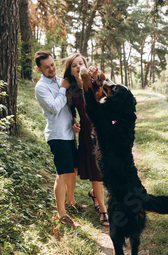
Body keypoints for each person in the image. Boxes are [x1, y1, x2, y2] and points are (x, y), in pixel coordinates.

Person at [34, 50, 85, 228]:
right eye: (46, 67)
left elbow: (68, 107)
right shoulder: (41, 88)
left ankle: (70, 201)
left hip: (68, 133)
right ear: (39, 68)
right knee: (62, 174)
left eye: (53, 64)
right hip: (57, 136)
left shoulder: (60, 81)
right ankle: (61, 214)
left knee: (74, 169)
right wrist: (63, 88)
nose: (51, 69)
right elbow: (55, 107)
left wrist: (74, 122)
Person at [63, 53, 109, 226]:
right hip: (87, 133)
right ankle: (103, 210)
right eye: (74, 65)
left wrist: (98, 75)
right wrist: (74, 123)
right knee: (96, 171)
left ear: (85, 65)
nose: (78, 66)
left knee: (105, 168)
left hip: (103, 129)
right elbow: (70, 114)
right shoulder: (72, 90)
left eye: (80, 63)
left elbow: (108, 89)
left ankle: (95, 195)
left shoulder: (94, 82)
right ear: (70, 70)